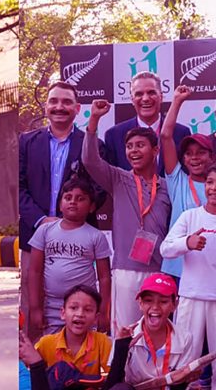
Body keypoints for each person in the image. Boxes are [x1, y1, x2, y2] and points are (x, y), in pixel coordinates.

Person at [19, 81, 107, 340]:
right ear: (46, 106)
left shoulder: (93, 145)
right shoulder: (26, 142)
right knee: (32, 300)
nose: (60, 107)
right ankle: (35, 365)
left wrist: (73, 220)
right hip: (34, 235)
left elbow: (99, 190)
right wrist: (42, 220)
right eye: (54, 101)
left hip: (77, 239)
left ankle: (78, 366)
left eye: (66, 102)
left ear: (77, 109)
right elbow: (17, 186)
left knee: (78, 303)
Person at [82, 99, 171, 336]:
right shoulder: (118, 179)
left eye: (140, 145)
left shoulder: (167, 186)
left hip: (159, 269)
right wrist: (94, 120)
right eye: (129, 146)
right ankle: (121, 373)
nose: (133, 151)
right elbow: (90, 161)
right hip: (125, 270)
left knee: (155, 332)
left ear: (155, 150)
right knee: (125, 332)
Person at [27, 178, 112, 342]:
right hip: (52, 308)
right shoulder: (45, 231)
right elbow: (34, 271)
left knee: (85, 352)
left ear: (91, 207)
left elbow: (104, 277)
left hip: (85, 309)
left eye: (80, 199)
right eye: (68, 198)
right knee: (53, 351)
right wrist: (35, 308)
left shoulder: (96, 236)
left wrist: (103, 312)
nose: (73, 202)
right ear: (60, 204)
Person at [160, 164, 216, 388]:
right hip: (191, 296)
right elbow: (165, 249)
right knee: (185, 361)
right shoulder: (190, 216)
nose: (214, 188)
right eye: (210, 182)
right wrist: (187, 243)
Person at [159, 85, 213, 283]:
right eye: (188, 153)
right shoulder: (178, 180)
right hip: (176, 267)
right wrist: (177, 101)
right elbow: (165, 136)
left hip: (208, 267)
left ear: (212, 157)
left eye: (201, 152)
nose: (194, 158)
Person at [105, 274, 197, 390]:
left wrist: (184, 379)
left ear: (174, 305)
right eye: (148, 300)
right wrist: (121, 348)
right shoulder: (125, 336)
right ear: (140, 303)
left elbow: (179, 387)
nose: (155, 307)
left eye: (163, 302)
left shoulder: (185, 338)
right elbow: (111, 385)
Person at [104, 71, 190, 176]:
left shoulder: (181, 133)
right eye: (139, 94)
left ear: (161, 97)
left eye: (151, 93)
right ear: (132, 100)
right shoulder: (114, 135)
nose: (145, 99)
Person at [33, 285, 113, 381]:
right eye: (74, 308)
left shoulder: (102, 341)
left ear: (96, 318)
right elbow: (30, 372)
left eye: (87, 310)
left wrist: (122, 345)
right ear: (63, 313)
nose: (80, 314)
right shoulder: (46, 343)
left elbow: (113, 377)